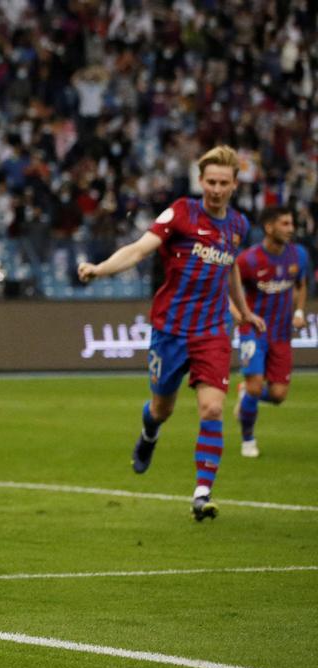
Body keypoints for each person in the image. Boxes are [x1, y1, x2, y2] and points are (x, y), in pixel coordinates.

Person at [78, 145, 265, 522]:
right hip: (171, 330)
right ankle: (148, 434)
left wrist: (242, 311)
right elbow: (138, 249)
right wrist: (99, 269)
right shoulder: (181, 213)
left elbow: (229, 269)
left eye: (222, 183)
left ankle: (201, 493)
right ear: (200, 181)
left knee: (212, 407)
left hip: (213, 331)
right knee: (162, 409)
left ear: (234, 185)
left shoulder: (238, 226)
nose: (215, 189)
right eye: (210, 181)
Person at [232, 207, 309, 458]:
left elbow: (301, 285)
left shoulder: (299, 255)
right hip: (253, 330)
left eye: (291, 223)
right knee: (256, 387)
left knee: (278, 395)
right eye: (285, 224)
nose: (290, 228)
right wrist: (238, 313)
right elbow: (228, 287)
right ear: (269, 227)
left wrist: (299, 312)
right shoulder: (249, 260)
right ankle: (248, 439)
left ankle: (245, 394)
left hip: (281, 333)